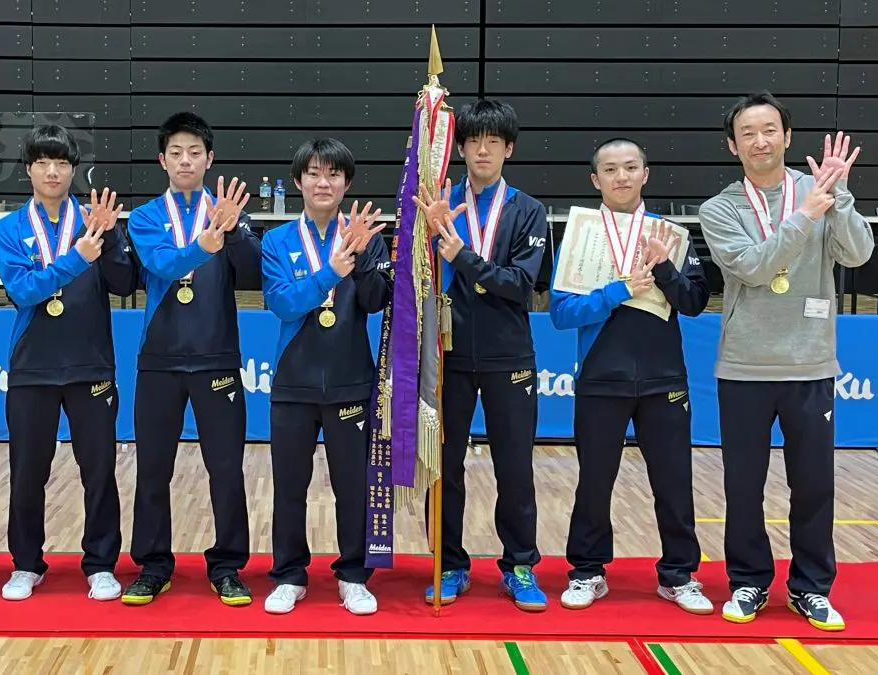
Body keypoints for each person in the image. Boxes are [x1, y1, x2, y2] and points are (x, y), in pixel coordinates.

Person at [698, 91, 872, 631]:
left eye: (769, 129)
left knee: (815, 485)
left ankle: (811, 588)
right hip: (745, 367)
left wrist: (839, 196)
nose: (760, 141)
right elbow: (753, 268)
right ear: (733, 146)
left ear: (788, 137)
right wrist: (804, 215)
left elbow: (858, 254)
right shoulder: (720, 209)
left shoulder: (819, 189)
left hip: (811, 364)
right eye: (747, 133)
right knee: (743, 486)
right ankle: (748, 581)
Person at [547, 138, 712, 614]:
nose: (621, 176)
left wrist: (664, 269)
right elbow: (561, 314)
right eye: (610, 169)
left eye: (630, 167)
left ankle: (679, 576)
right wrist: (617, 291)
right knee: (594, 482)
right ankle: (587, 571)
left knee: (674, 482)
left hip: (665, 380)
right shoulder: (579, 235)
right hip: (601, 379)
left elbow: (695, 302)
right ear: (595, 179)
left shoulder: (671, 234)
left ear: (645, 173)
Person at [412, 98, 549, 610]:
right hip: (447, 355)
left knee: (514, 465)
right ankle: (449, 563)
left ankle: (519, 565)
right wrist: (427, 237)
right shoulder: (438, 203)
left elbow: (520, 285)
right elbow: (415, 275)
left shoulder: (528, 210)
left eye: (494, 141)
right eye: (474, 141)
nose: (483, 150)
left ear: (508, 149)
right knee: (444, 465)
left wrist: (462, 256)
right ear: (461, 148)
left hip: (508, 356)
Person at [0, 124, 137, 602]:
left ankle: (100, 564)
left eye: (61, 163)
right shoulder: (8, 228)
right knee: (27, 472)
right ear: (29, 169)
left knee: (99, 471)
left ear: (74, 170)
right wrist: (76, 258)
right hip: (32, 366)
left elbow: (123, 284)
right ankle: (25, 564)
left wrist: (108, 237)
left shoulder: (94, 219)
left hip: (90, 365)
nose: (52, 172)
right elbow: (22, 291)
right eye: (42, 163)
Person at [123, 111, 259, 607]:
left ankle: (227, 566)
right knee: (153, 469)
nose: (185, 160)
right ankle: (153, 565)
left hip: (216, 359)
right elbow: (161, 265)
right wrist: (204, 243)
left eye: (195, 152)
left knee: (226, 469)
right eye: (176, 153)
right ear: (162, 160)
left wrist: (234, 232)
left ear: (209, 159)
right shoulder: (144, 218)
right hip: (159, 361)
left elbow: (254, 273)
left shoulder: (229, 213)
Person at [260, 138, 389, 616]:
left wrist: (364, 259)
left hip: (350, 380)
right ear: (298, 181)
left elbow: (376, 301)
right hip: (293, 383)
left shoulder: (365, 236)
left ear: (346, 183)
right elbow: (283, 303)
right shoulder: (276, 241)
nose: (323, 182)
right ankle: (289, 575)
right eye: (313, 173)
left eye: (333, 174)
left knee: (352, 487)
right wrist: (331, 272)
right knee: (289, 486)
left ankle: (353, 575)